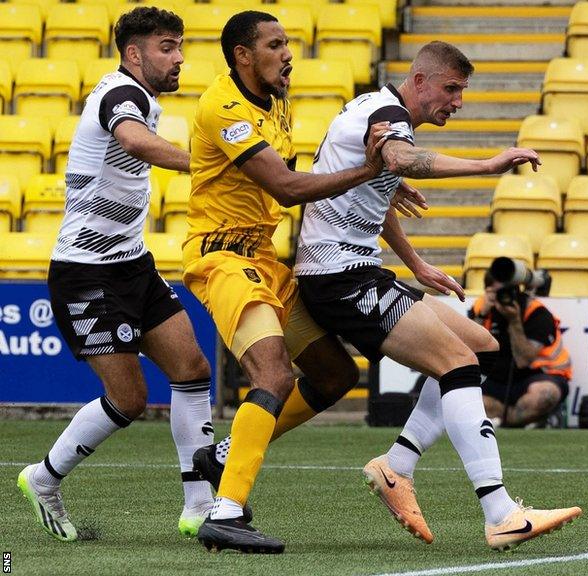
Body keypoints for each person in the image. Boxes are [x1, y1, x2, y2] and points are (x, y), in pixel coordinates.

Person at [292, 40, 581, 551]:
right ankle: (500, 513)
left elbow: (371, 193)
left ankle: (396, 465)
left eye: (463, 91)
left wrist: (415, 263)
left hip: (358, 271)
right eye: (451, 89)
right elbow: (406, 159)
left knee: (482, 346)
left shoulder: (371, 108)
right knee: (457, 363)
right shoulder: (388, 117)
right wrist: (487, 166)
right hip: (339, 278)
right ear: (420, 81)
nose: (458, 101)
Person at [182, 11, 422, 554]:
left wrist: (378, 189)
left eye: (288, 42)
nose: (288, 53)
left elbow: (305, 172)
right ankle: (226, 512)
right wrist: (367, 171)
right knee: (271, 372)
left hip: (265, 260)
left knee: (335, 374)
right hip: (221, 258)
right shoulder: (223, 105)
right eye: (275, 45)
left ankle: (221, 459)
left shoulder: (277, 102)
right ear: (243, 55)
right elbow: (289, 188)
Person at [15, 7, 219, 542]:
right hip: (85, 274)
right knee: (128, 400)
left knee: (193, 367)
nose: (179, 59)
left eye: (179, 47)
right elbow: (134, 141)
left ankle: (199, 506)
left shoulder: (142, 99)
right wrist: (210, 164)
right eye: (167, 47)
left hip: (132, 265)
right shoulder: (118, 95)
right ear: (134, 53)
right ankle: (43, 477)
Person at [471, 271, 571, 428]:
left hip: (535, 375)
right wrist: (482, 315)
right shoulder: (481, 308)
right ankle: (526, 420)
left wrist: (515, 321)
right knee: (465, 399)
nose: (503, 297)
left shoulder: (537, 312)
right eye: (496, 292)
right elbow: (467, 349)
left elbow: (524, 360)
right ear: (487, 291)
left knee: (546, 394)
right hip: (493, 379)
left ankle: (504, 420)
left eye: (507, 292)